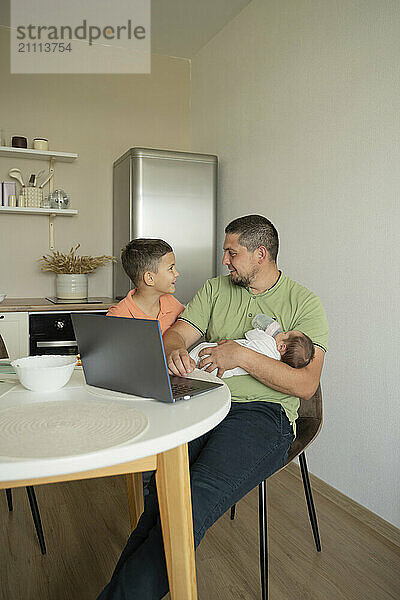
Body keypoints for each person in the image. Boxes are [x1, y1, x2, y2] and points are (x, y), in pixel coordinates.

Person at [97, 215, 328, 600]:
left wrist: (241, 355)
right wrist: (174, 351)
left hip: (263, 415)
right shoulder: (215, 290)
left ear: (260, 254)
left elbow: (306, 385)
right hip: (203, 403)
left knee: (194, 497)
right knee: (163, 498)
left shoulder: (304, 303)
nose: (224, 260)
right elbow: (178, 333)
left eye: (231, 252)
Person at [189, 319, 315, 378]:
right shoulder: (275, 362)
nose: (283, 332)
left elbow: (250, 334)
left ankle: (183, 365)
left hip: (213, 356)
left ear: (282, 346)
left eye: (285, 333)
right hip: (225, 373)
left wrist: (268, 331)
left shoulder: (268, 342)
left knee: (201, 349)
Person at [107, 238, 184, 332]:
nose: (177, 273)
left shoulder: (172, 303)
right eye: (171, 268)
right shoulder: (117, 316)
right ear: (150, 278)